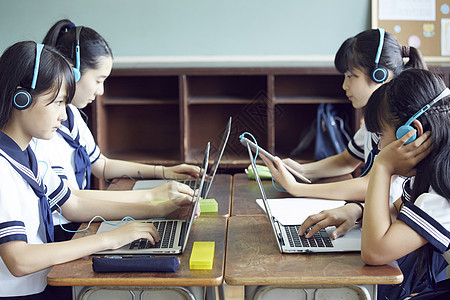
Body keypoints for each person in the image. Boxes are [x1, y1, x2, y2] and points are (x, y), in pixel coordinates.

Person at [0, 41, 197, 299]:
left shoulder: (29, 156)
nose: (63, 115)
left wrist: (155, 207)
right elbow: (19, 260)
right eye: (57, 103)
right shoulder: (3, 167)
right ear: (21, 98)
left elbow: (74, 202)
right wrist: (108, 239)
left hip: (42, 283)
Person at [35, 19, 201, 241]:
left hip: (82, 220)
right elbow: (71, 201)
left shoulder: (71, 114)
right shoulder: (42, 130)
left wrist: (164, 171)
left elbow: (101, 165)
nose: (101, 91)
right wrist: (152, 199)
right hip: (66, 231)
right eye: (98, 80)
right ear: (72, 73)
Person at [261, 28, 427, 237]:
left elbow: (372, 185)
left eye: (351, 76)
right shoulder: (375, 118)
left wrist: (298, 188)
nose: (344, 85)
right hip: (367, 216)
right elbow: (348, 160)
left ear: (380, 75)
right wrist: (302, 171)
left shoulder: (401, 127)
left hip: (391, 229)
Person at [362, 69, 449, 298]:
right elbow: (401, 209)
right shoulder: (435, 168)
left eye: (381, 134)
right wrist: (356, 210)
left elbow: (375, 252)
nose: (379, 146)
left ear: (412, 133)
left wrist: (382, 167)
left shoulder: (442, 190)